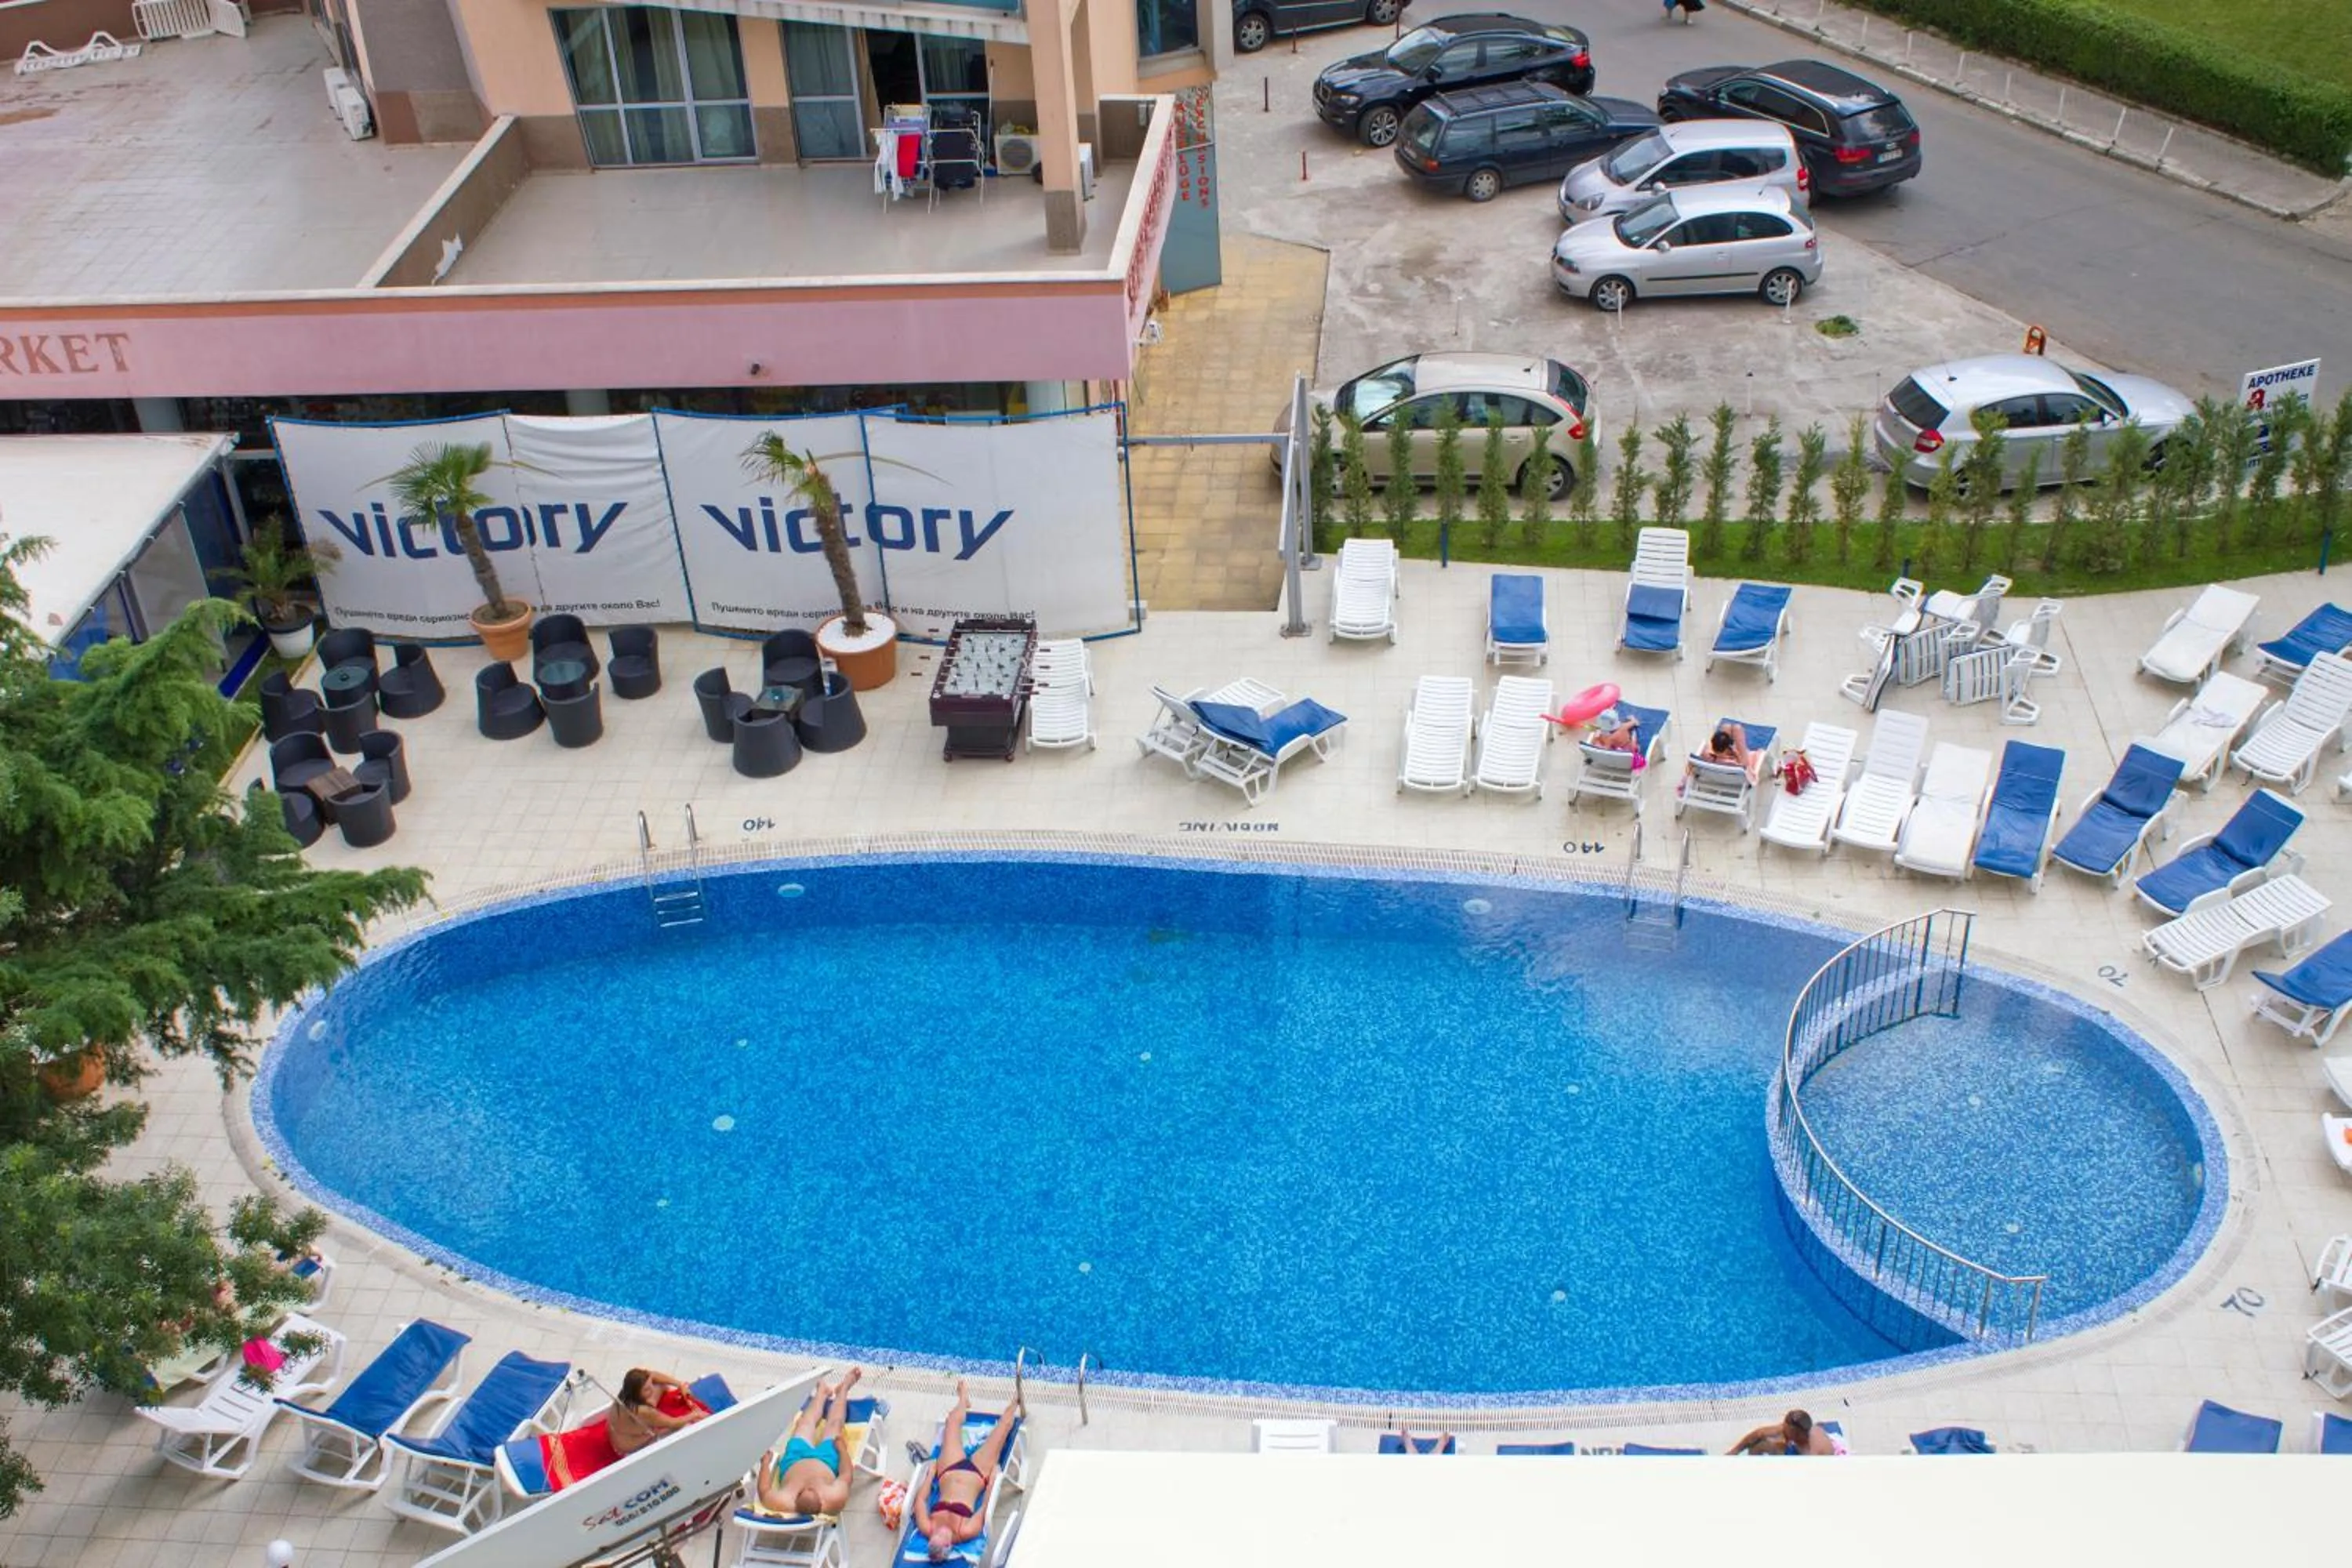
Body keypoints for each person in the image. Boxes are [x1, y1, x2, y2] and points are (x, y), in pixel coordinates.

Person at [914, 1381, 1023, 1562]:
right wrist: (992, 1482)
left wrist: (931, 1474)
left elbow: (919, 1499)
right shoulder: (965, 1531)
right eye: (941, 1539)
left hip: (947, 1470)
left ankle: (964, 1399)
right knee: (1003, 1429)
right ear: (950, 1545)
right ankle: (1015, 1402)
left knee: (951, 1423)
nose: (938, 1534)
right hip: (978, 1474)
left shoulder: (927, 1527)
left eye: (934, 1539)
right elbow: (985, 1508)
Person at [756, 1367, 865, 1518]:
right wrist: (842, 1451)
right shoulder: (834, 1499)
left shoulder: (783, 1502)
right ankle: (844, 1389)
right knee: (835, 1425)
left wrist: (765, 1464)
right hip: (827, 1461)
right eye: (811, 1489)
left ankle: (822, 1392)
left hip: (794, 1459)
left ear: (796, 1496)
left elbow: (764, 1490)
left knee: (804, 1424)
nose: (808, 1486)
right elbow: (846, 1475)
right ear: (822, 1501)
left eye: (804, 1490)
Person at [608, 1367, 712, 1457]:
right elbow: (674, 1423)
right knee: (686, 1425)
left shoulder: (628, 1391)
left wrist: (680, 1384)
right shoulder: (643, 1411)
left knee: (661, 1384)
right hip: (628, 1446)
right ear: (637, 1392)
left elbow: (654, 1375)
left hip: (619, 1431)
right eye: (647, 1389)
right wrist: (695, 1414)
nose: (652, 1389)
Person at [1728, 1409, 1845, 1456]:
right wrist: (1734, 1451)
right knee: (1759, 1442)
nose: (1783, 1430)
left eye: (1788, 1431)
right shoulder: (1800, 1429)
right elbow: (1760, 1433)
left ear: (1798, 1433)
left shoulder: (1813, 1451)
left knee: (1761, 1445)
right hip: (1801, 1446)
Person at [1683, 721, 1765, 789]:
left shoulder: (1705, 756)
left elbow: (1693, 765)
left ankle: (1722, 742)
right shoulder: (1733, 765)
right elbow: (1744, 768)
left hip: (1714, 768)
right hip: (1733, 775)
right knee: (1737, 728)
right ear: (1727, 749)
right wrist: (1737, 755)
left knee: (1726, 726)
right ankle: (1731, 736)